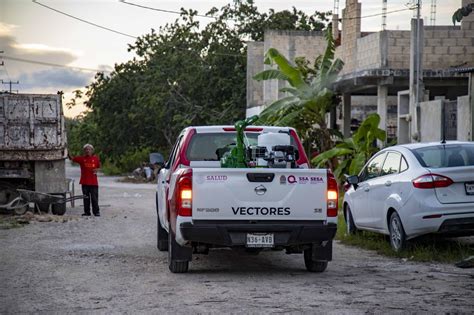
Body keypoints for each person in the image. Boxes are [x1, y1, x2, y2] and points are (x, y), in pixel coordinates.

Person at [68, 144, 101, 217]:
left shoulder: (96, 159)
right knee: (86, 198)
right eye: (86, 149)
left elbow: (99, 167)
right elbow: (72, 158)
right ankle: (87, 212)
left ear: (92, 151)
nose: (88, 151)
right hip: (85, 182)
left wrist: (97, 169)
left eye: (89, 149)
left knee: (94, 198)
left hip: (93, 183)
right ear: (84, 151)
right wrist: (67, 151)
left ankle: (96, 212)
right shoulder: (82, 159)